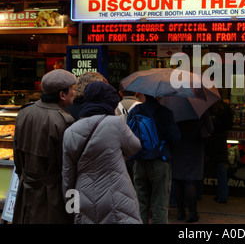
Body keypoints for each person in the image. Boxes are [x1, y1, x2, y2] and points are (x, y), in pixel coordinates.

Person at [62, 81, 142, 224]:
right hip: (117, 194)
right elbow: (135, 147)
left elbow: (68, 175)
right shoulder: (115, 123)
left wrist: (70, 208)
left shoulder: (70, 131)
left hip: (83, 196)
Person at [13, 69, 77, 224]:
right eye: (73, 89)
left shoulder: (24, 112)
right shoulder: (64, 121)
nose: (75, 93)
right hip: (52, 196)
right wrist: (73, 208)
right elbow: (68, 170)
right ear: (62, 95)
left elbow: (17, 158)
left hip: (26, 189)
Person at [127, 95, 181, 224]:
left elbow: (128, 132)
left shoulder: (135, 111)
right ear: (159, 95)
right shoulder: (165, 112)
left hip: (139, 161)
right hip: (160, 161)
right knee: (160, 204)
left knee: (140, 202)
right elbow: (175, 137)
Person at [173, 112, 213, 223]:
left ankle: (180, 211)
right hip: (194, 147)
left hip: (178, 147)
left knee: (178, 180)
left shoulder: (175, 106)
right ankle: (192, 213)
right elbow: (210, 128)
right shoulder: (200, 109)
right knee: (190, 181)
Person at [206, 99, 233, 203]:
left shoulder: (207, 107)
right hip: (221, 141)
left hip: (209, 141)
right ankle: (223, 196)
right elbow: (229, 125)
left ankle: (197, 194)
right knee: (221, 170)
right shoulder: (226, 108)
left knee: (203, 168)